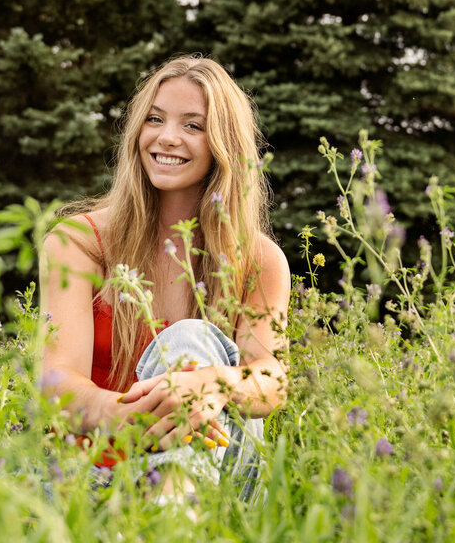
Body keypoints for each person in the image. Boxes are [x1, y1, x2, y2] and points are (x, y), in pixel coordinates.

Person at [40, 55, 290, 499]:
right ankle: (172, 517)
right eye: (154, 119)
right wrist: (132, 414)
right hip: (98, 475)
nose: (166, 137)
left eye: (193, 126)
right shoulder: (80, 243)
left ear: (223, 144)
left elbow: (271, 378)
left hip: (221, 481)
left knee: (191, 339)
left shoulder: (258, 259)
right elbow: (56, 380)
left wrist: (205, 385)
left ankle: (171, 512)